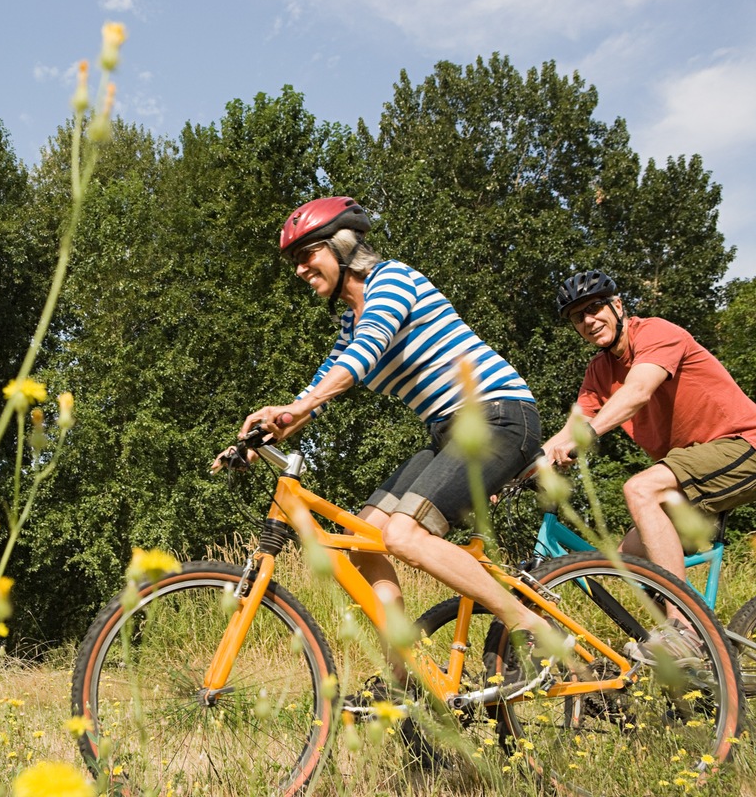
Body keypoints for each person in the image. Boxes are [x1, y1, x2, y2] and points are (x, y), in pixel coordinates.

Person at [215, 196, 558, 666]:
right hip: (447, 434)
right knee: (362, 541)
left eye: (305, 255)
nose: (298, 270)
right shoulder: (347, 324)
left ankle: (530, 626)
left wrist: (300, 405)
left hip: (497, 416)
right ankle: (406, 664)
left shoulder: (393, 280)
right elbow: (316, 391)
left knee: (404, 537)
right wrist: (256, 439)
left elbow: (367, 352)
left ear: (342, 247)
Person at [543, 271, 756, 646]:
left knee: (640, 488)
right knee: (626, 562)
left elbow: (638, 391)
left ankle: (684, 629)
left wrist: (591, 433)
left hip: (743, 445)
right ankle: (703, 660)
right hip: (694, 471)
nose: (589, 321)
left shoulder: (656, 333)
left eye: (595, 308)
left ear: (618, 306)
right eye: (579, 317)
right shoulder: (599, 370)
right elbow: (570, 429)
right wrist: (506, 473)